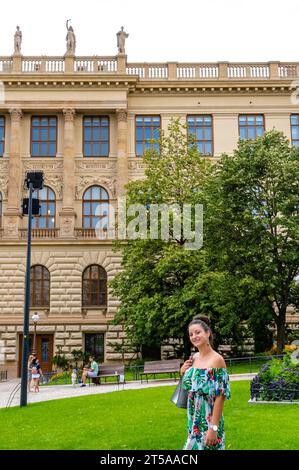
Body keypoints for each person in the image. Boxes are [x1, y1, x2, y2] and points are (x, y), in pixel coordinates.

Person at [180, 315, 231, 450]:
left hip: (209, 420)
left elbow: (221, 397)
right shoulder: (194, 358)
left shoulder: (217, 360)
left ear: (208, 333)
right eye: (191, 334)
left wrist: (213, 429)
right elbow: (189, 388)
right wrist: (183, 372)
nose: (194, 336)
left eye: (198, 332)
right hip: (193, 419)